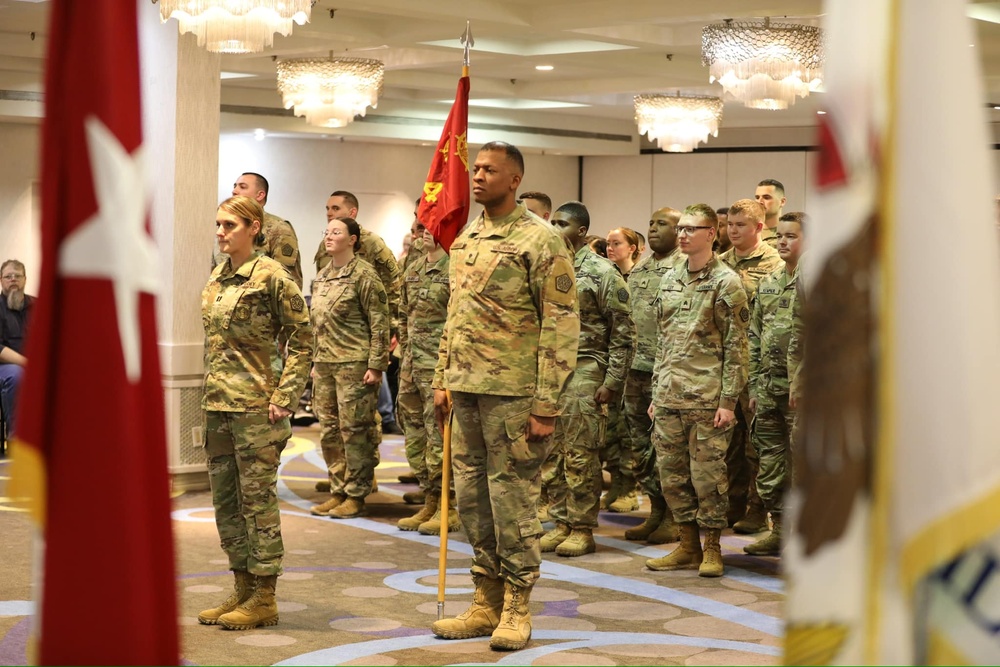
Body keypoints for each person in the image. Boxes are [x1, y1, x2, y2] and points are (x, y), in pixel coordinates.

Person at [431, 141, 579, 651]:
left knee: (513, 497)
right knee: (472, 497)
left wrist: (546, 402)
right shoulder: (469, 235)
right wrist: (441, 376)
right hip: (466, 387)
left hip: (515, 394)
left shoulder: (541, 240)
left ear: (514, 180)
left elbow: (560, 325)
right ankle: (485, 598)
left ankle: (518, 604)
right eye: (475, 168)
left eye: (490, 170)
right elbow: (455, 313)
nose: (477, 176)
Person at [198, 196, 313, 630]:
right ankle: (242, 586)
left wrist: (285, 396)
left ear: (254, 227)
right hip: (218, 404)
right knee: (226, 502)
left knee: (257, 502)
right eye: (218, 224)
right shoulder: (219, 275)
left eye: (229, 224)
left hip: (256, 408)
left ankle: (265, 594)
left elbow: (304, 339)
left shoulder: (271, 276)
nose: (220, 232)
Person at [645, 203, 749, 579]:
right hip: (670, 396)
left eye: (693, 229)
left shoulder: (726, 282)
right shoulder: (670, 277)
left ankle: (712, 548)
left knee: (708, 478)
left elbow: (738, 347)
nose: (683, 234)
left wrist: (727, 401)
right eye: (682, 228)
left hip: (707, 400)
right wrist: (657, 393)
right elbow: (663, 341)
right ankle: (687, 545)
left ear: (712, 232)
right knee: (671, 476)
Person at [540, 201, 635, 557]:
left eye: (561, 223)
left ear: (581, 231)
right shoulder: (545, 267)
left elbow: (624, 332)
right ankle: (560, 521)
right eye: (552, 222)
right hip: (550, 370)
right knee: (551, 454)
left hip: (585, 367)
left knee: (580, 454)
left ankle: (582, 527)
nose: (553, 228)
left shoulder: (601, 272)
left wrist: (612, 381)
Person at [309, 216, 391, 519]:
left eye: (336, 232)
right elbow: (316, 322)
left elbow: (380, 322)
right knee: (329, 431)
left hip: (355, 364)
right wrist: (316, 361)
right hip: (327, 364)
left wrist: (376, 365)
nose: (329, 237)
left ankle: (356, 493)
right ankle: (338, 489)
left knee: (354, 431)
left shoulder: (364, 275)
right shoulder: (322, 276)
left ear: (352, 239)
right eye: (327, 231)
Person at [312, 191, 403, 436]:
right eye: (328, 208)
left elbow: (393, 286)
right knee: (331, 428)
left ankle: (385, 415)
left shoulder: (372, 244)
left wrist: (392, 329)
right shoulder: (326, 248)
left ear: (352, 213)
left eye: (336, 208)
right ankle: (339, 475)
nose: (330, 213)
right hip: (331, 344)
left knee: (357, 427)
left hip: (359, 337)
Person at [719, 199, 784, 534]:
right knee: (728, 442)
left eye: (740, 225)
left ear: (759, 227)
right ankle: (733, 501)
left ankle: (758, 510)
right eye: (730, 224)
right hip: (727, 364)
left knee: (757, 443)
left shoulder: (774, 263)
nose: (732, 230)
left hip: (759, 363)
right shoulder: (720, 263)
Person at [745, 211, 806, 556]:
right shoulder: (768, 281)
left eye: (792, 236)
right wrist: (754, 385)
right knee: (770, 464)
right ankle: (779, 529)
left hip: (804, 391)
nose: (782, 242)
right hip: (769, 389)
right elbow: (754, 336)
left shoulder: (814, 282)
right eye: (779, 236)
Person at [621, 208, 683, 544]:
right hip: (636, 371)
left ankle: (674, 517)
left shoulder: (684, 269)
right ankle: (656, 510)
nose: (654, 229)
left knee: (668, 449)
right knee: (641, 448)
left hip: (667, 374)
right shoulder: (640, 269)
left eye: (663, 224)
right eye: (651, 224)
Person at [395, 227, 459, 535]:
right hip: (411, 365)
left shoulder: (455, 266)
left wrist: (446, 370)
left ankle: (450, 503)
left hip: (439, 365)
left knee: (440, 437)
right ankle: (430, 498)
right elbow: (403, 313)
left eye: (432, 227)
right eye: (420, 227)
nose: (424, 233)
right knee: (414, 434)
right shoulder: (414, 265)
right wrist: (405, 353)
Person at [601, 227, 643, 512]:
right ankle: (616, 482)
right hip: (609, 360)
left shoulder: (640, 278)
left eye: (617, 243)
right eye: (607, 244)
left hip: (637, 363)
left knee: (630, 430)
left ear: (633, 248)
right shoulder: (605, 276)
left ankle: (629, 487)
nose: (610, 248)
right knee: (611, 428)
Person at [220, 172, 304, 288]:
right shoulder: (224, 227)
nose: (234, 191)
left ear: (260, 195)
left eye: (242, 187)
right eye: (235, 186)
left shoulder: (279, 229)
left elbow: (289, 283)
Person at [0, 260, 33, 435]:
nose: (13, 279)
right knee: (16, 374)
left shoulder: (39, 305)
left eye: (17, 276)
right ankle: (17, 436)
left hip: (36, 365)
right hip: (5, 367)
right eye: (8, 276)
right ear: (1, 280)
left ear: (25, 279)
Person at [754, 179, 786, 248]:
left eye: (766, 197)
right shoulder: (750, 231)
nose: (760, 201)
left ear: (782, 202)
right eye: (757, 197)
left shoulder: (788, 233)